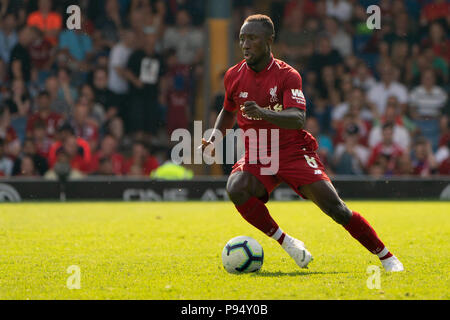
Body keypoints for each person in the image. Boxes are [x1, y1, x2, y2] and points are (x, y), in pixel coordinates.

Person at [201, 14, 403, 272]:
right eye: (242, 38)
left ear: (269, 41)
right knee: (236, 187)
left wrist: (263, 112)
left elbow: (297, 118)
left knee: (336, 209)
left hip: (292, 151)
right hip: (259, 152)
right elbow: (228, 110)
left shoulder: (287, 75)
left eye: (252, 38)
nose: (245, 44)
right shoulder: (233, 76)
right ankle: (288, 243)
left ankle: (386, 256)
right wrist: (215, 137)